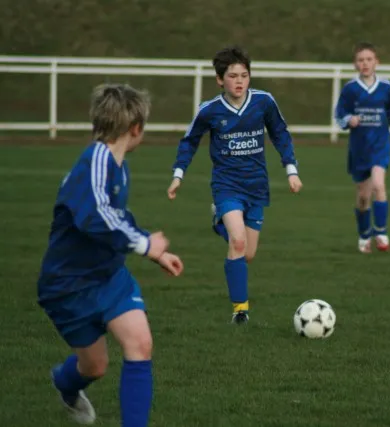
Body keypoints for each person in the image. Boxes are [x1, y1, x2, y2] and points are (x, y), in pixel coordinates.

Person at [38, 83, 184, 426]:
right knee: (95, 366)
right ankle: (65, 383)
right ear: (136, 128)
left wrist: (152, 251)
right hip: (69, 286)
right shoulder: (95, 162)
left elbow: (117, 217)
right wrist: (145, 245)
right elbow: (96, 218)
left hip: (109, 276)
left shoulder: (118, 166)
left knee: (140, 344)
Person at [167, 46, 303, 324]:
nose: (239, 81)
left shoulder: (263, 102)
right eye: (232, 76)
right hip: (226, 186)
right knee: (238, 242)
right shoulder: (210, 110)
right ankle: (240, 311)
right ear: (220, 80)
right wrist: (178, 175)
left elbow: (280, 134)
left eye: (244, 75)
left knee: (247, 254)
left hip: (257, 186)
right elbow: (189, 141)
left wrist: (291, 170)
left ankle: (219, 223)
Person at [335, 41, 390, 254]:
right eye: (360, 60)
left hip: (380, 145)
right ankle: (364, 235)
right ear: (355, 64)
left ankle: (381, 232)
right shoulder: (350, 89)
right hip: (359, 148)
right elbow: (339, 114)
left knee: (379, 185)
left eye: (369, 59)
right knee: (363, 197)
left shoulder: (385, 87)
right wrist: (349, 119)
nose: (365, 63)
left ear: (376, 62)